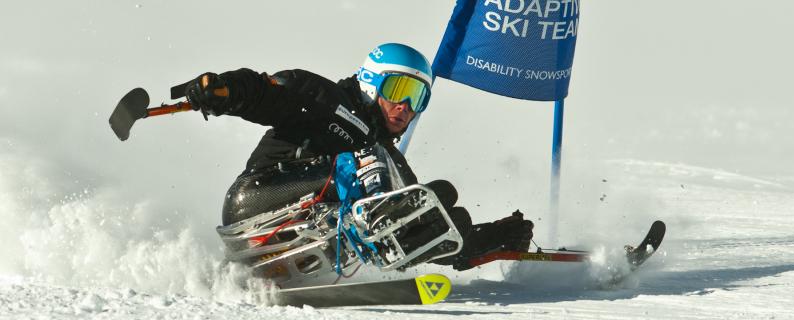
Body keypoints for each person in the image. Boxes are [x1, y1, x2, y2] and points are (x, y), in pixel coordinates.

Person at [183, 42, 533, 270]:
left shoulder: (385, 155)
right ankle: (373, 240)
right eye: (398, 90)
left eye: (417, 98)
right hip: (255, 201)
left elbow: (416, 216)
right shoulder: (326, 101)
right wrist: (226, 90)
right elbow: (268, 94)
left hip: (299, 238)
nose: (405, 107)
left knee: (435, 202)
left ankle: (371, 244)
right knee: (368, 159)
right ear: (370, 82)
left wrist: (487, 241)